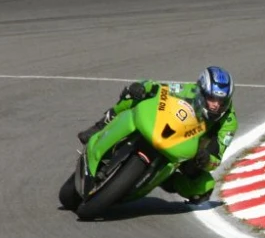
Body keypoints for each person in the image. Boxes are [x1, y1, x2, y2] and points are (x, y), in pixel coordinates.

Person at [77, 66, 238, 204]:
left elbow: (217, 158)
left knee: (204, 188)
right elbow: (157, 88)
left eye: (221, 101)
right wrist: (142, 87)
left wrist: (206, 159)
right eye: (211, 98)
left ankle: (167, 180)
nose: (216, 105)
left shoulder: (228, 123)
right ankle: (100, 126)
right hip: (166, 129)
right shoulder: (189, 90)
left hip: (187, 154)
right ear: (201, 92)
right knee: (134, 96)